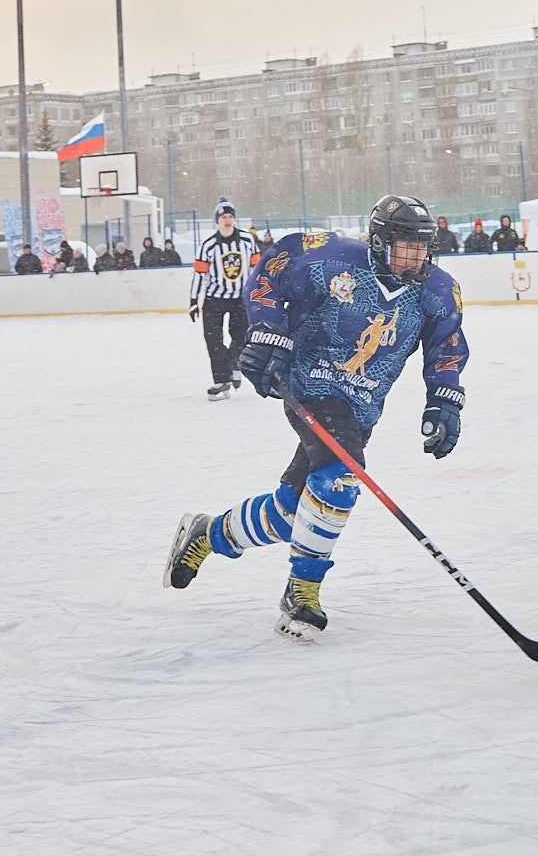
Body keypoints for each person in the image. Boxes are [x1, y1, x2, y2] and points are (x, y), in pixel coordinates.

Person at [162, 195, 468, 642]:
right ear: (381, 241)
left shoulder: (437, 290)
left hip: (363, 402)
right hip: (308, 382)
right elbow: (268, 272)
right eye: (406, 246)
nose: (417, 256)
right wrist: (266, 331)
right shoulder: (328, 255)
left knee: (295, 513)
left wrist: (445, 401)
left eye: (423, 247)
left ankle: (208, 534)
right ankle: (301, 592)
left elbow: (448, 346)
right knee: (340, 479)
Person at [189, 200, 258, 398]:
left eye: (230, 217)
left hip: (240, 299)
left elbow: (256, 270)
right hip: (214, 299)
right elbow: (199, 274)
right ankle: (221, 380)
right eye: (223, 217)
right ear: (217, 221)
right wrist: (194, 301)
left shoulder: (247, 240)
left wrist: (258, 294)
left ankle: (233, 363)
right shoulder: (208, 245)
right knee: (213, 340)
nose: (227, 221)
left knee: (241, 337)